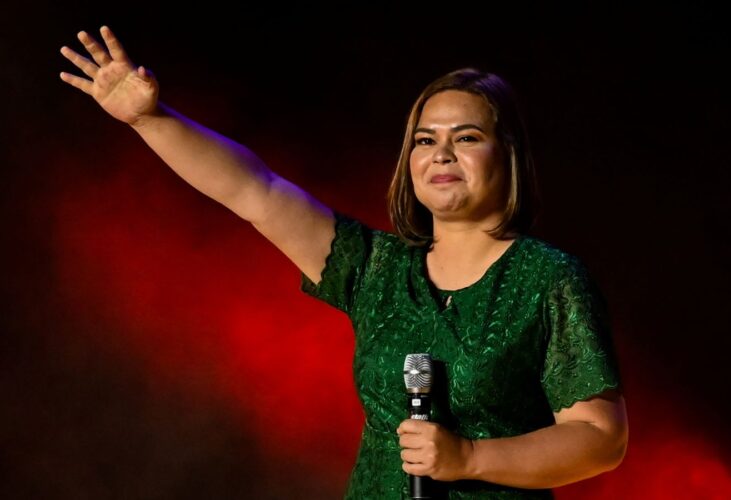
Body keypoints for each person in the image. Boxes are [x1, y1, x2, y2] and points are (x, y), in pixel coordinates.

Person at [60, 26, 629, 499]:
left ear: (507, 155)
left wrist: (471, 457)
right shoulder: (376, 268)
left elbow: (600, 439)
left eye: (467, 136)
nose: (442, 154)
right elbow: (255, 191)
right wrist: (151, 120)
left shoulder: (549, 278)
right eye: (424, 140)